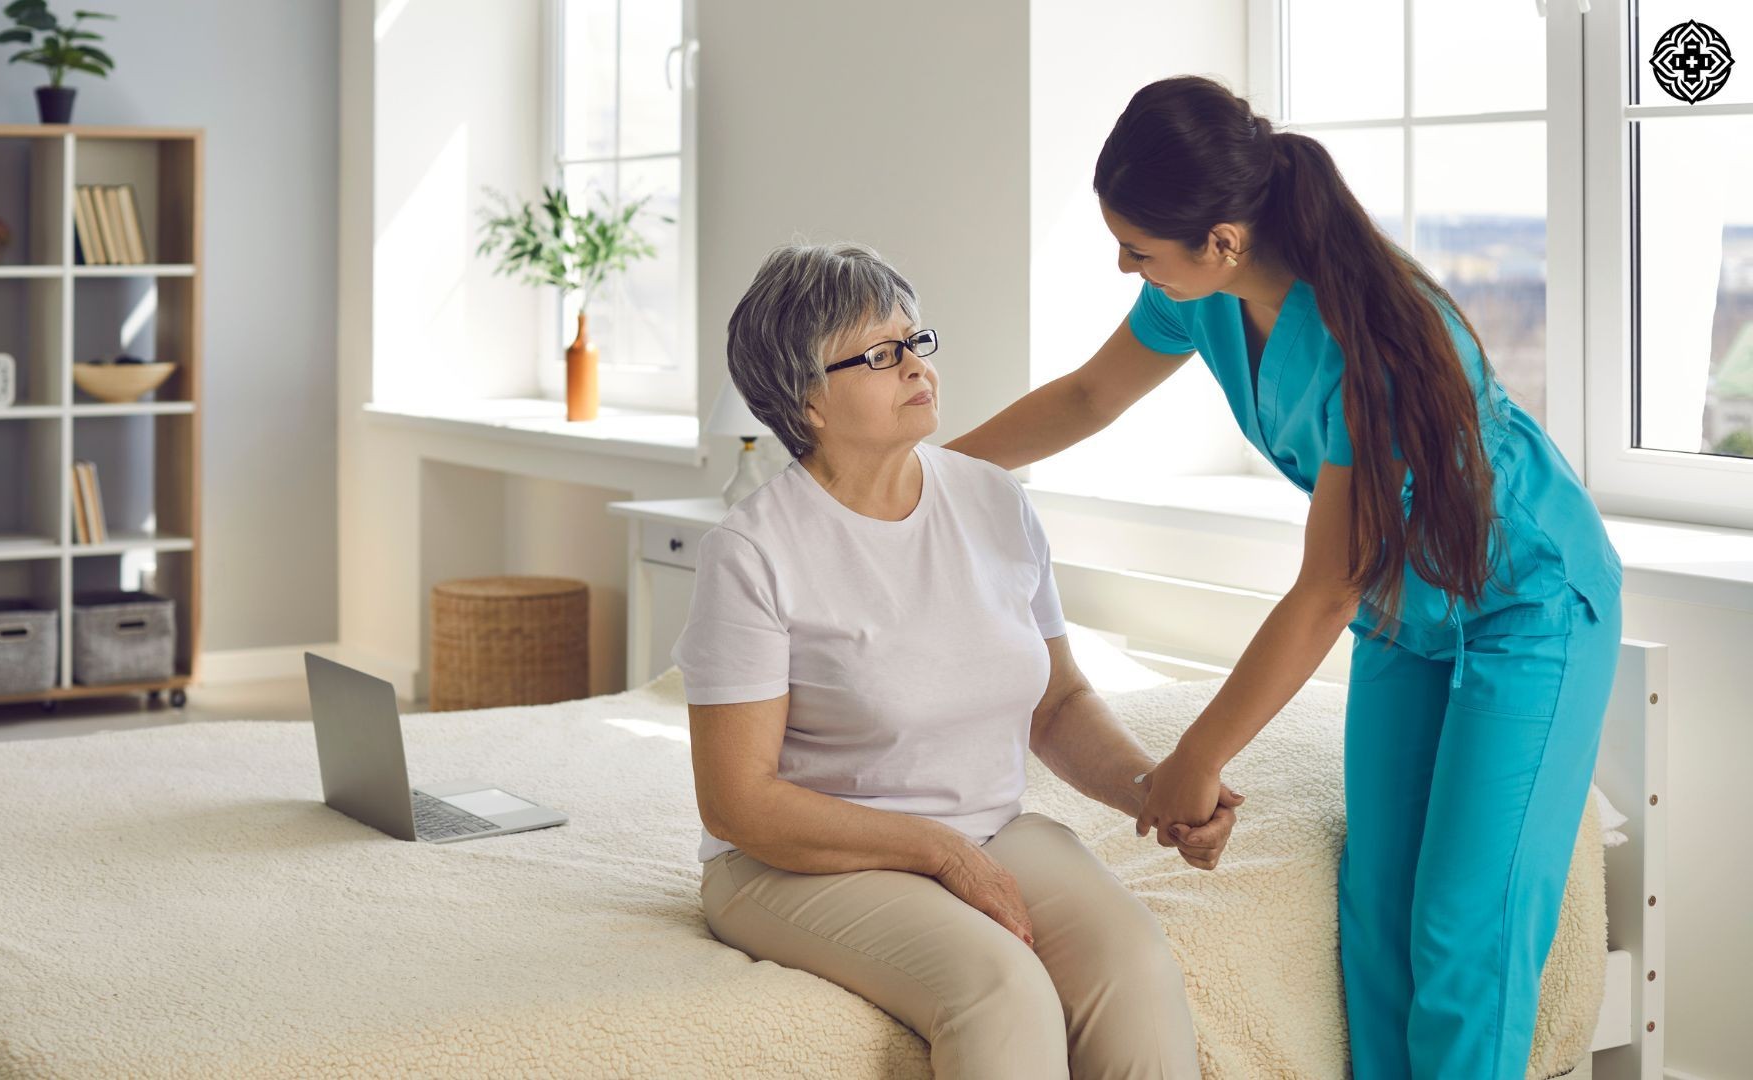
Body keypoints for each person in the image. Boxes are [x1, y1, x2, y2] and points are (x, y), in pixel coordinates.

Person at [944, 75, 1624, 1079]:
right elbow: (1090, 395)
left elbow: (1324, 590)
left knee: (1460, 932)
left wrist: (1197, 756)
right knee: (1379, 915)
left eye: (1139, 247)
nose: (1125, 262)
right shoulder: (1203, 298)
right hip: (1407, 617)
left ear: (1221, 239)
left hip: (1526, 609)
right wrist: (925, 478)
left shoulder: (1378, 340)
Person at [676, 240, 1229, 1078]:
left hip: (991, 829)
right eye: (878, 354)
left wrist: (1152, 791)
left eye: (916, 341)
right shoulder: (753, 552)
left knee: (1135, 962)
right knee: (1001, 988)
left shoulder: (993, 500)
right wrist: (939, 853)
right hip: (794, 864)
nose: (915, 367)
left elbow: (1056, 703)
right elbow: (738, 803)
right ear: (805, 401)